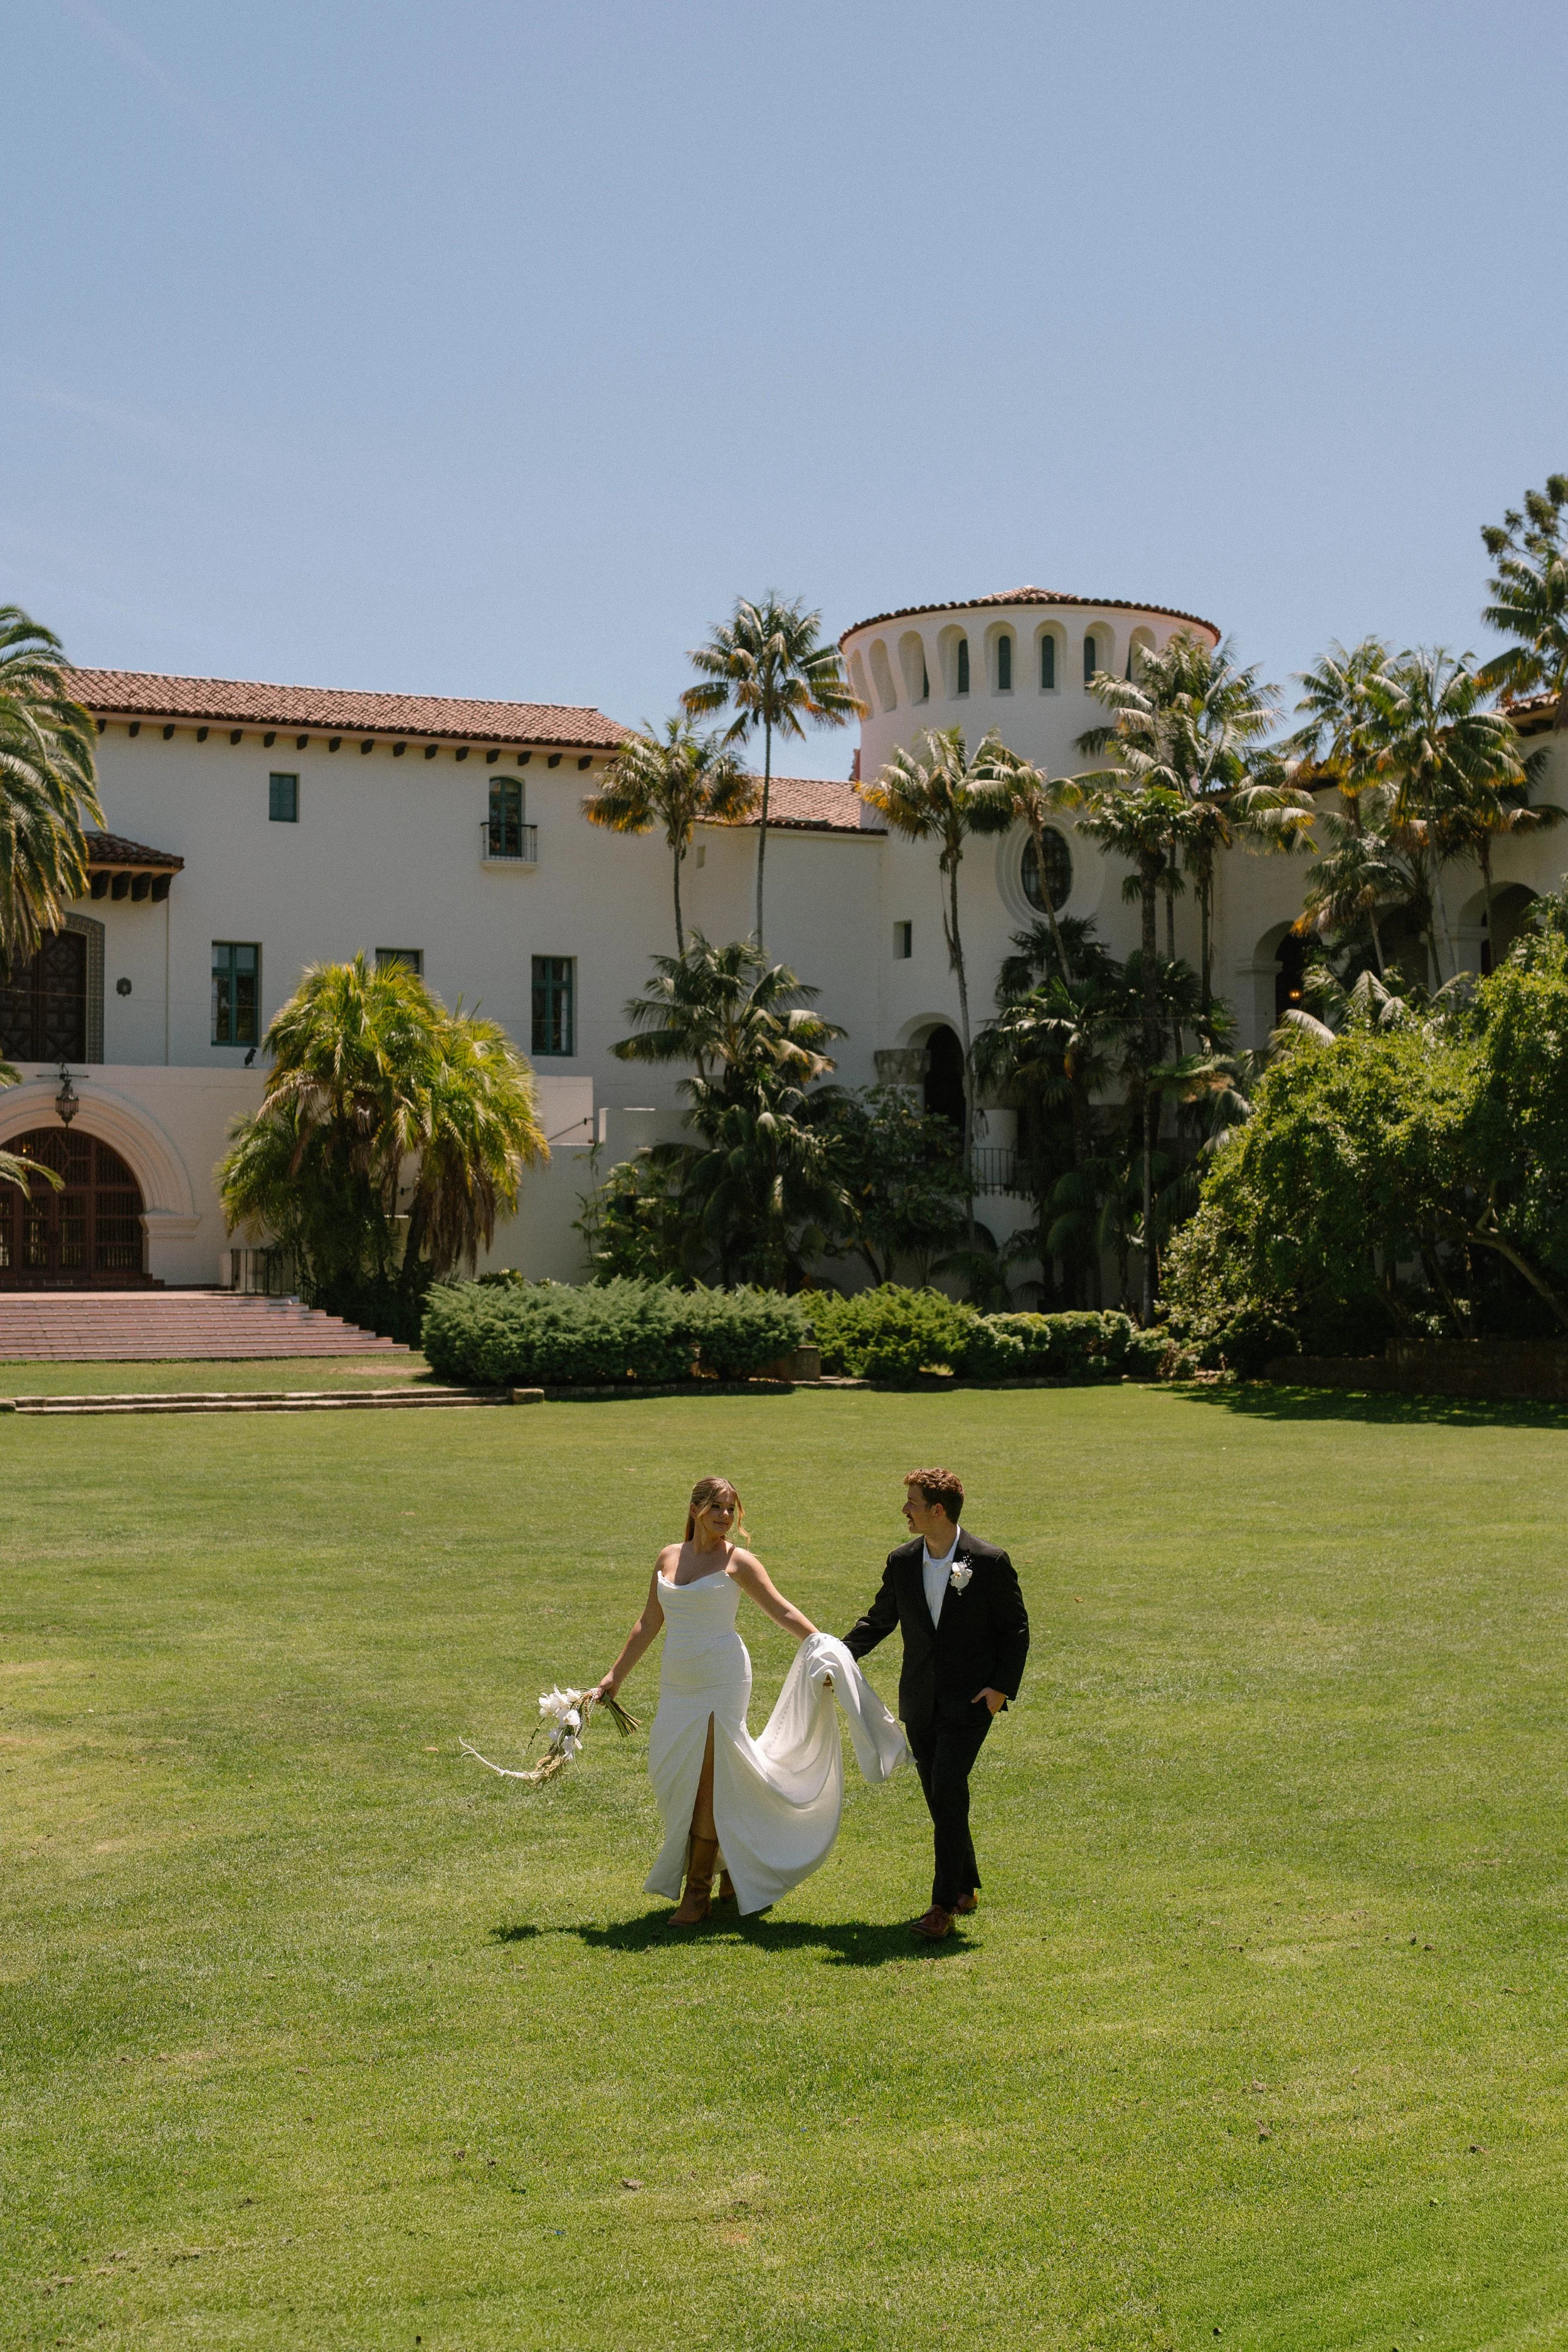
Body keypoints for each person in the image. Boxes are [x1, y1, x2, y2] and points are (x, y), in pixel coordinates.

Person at [593, 1475, 906, 1925]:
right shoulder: (668, 1557)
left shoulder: (739, 1562)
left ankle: (696, 1893)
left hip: (723, 1681)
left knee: (709, 1781)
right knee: (673, 1777)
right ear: (695, 1507)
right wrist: (614, 1676)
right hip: (678, 1683)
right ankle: (735, 1868)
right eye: (717, 1507)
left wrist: (826, 1649)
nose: (725, 1517)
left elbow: (781, 1610)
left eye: (731, 1510)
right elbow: (648, 1622)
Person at [843, 1467, 1029, 1941]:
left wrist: (1000, 1690)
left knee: (947, 1789)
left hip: (971, 1704)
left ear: (937, 1511)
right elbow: (880, 1619)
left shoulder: (988, 1561)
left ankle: (942, 1905)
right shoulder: (903, 1561)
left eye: (912, 1502)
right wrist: (837, 1655)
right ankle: (965, 1885)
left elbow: (1015, 1630)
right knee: (939, 1796)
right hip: (920, 1703)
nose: (905, 1510)